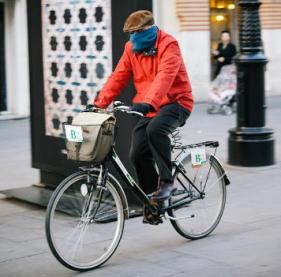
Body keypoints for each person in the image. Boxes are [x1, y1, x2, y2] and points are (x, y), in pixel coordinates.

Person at [92, 10, 194, 201]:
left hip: (177, 101)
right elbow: (118, 77)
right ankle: (153, 199)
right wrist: (99, 104)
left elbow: (165, 76)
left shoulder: (168, 44)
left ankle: (166, 184)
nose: (134, 37)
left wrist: (148, 102)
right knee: (137, 154)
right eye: (131, 32)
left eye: (138, 31)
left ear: (150, 28)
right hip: (150, 106)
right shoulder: (131, 48)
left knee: (155, 130)